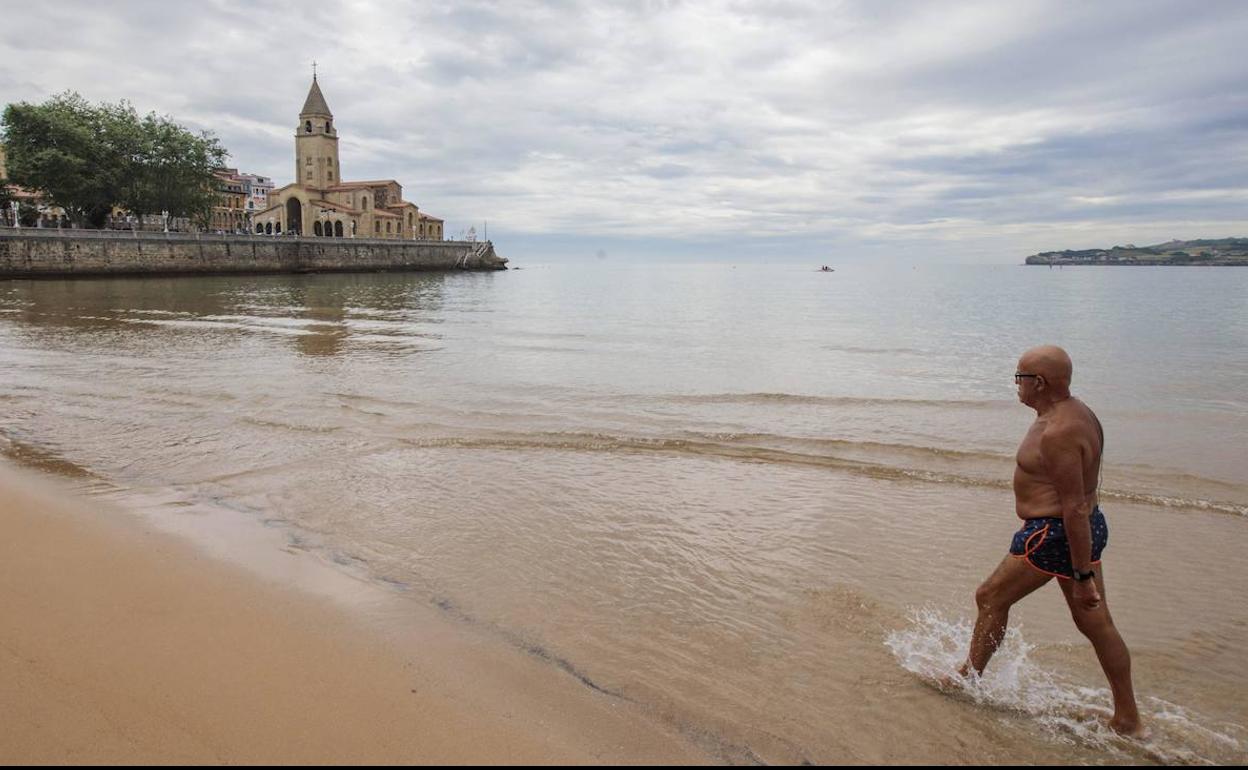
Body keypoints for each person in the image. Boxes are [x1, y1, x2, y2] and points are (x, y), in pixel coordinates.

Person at [955, 345, 1143, 736]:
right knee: (1097, 623)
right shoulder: (1077, 412)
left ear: (1038, 382)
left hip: (1054, 534)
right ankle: (1128, 718)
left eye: (1019, 377)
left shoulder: (1059, 430)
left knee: (990, 597)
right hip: (1080, 527)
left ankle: (967, 679)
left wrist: (1083, 573)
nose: (1016, 384)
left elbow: (1072, 505)